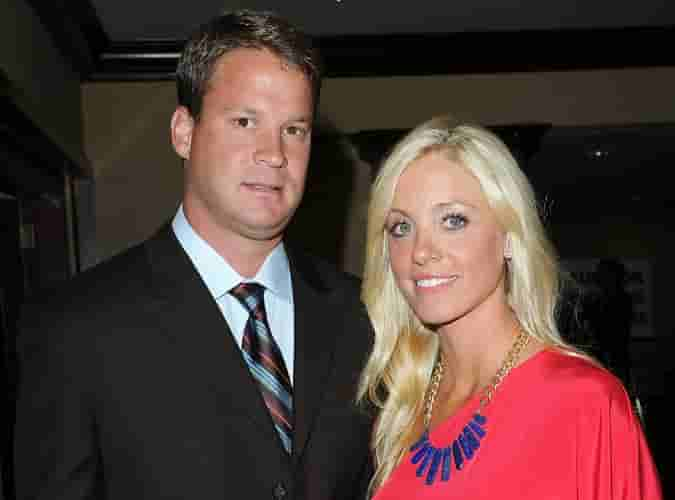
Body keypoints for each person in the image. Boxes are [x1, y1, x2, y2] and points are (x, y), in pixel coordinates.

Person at [14, 10, 373, 500]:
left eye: (295, 129)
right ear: (184, 132)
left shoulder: (367, 315)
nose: (274, 153)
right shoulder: (74, 331)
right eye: (245, 121)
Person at [357, 116, 661, 499]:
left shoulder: (584, 401)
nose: (420, 251)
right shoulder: (402, 405)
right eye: (401, 227)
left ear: (507, 237)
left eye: (453, 220)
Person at [586, 258, 634, 389]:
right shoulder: (596, 301)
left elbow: (612, 330)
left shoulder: (622, 300)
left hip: (615, 359)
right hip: (602, 359)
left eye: (603, 275)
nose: (599, 279)